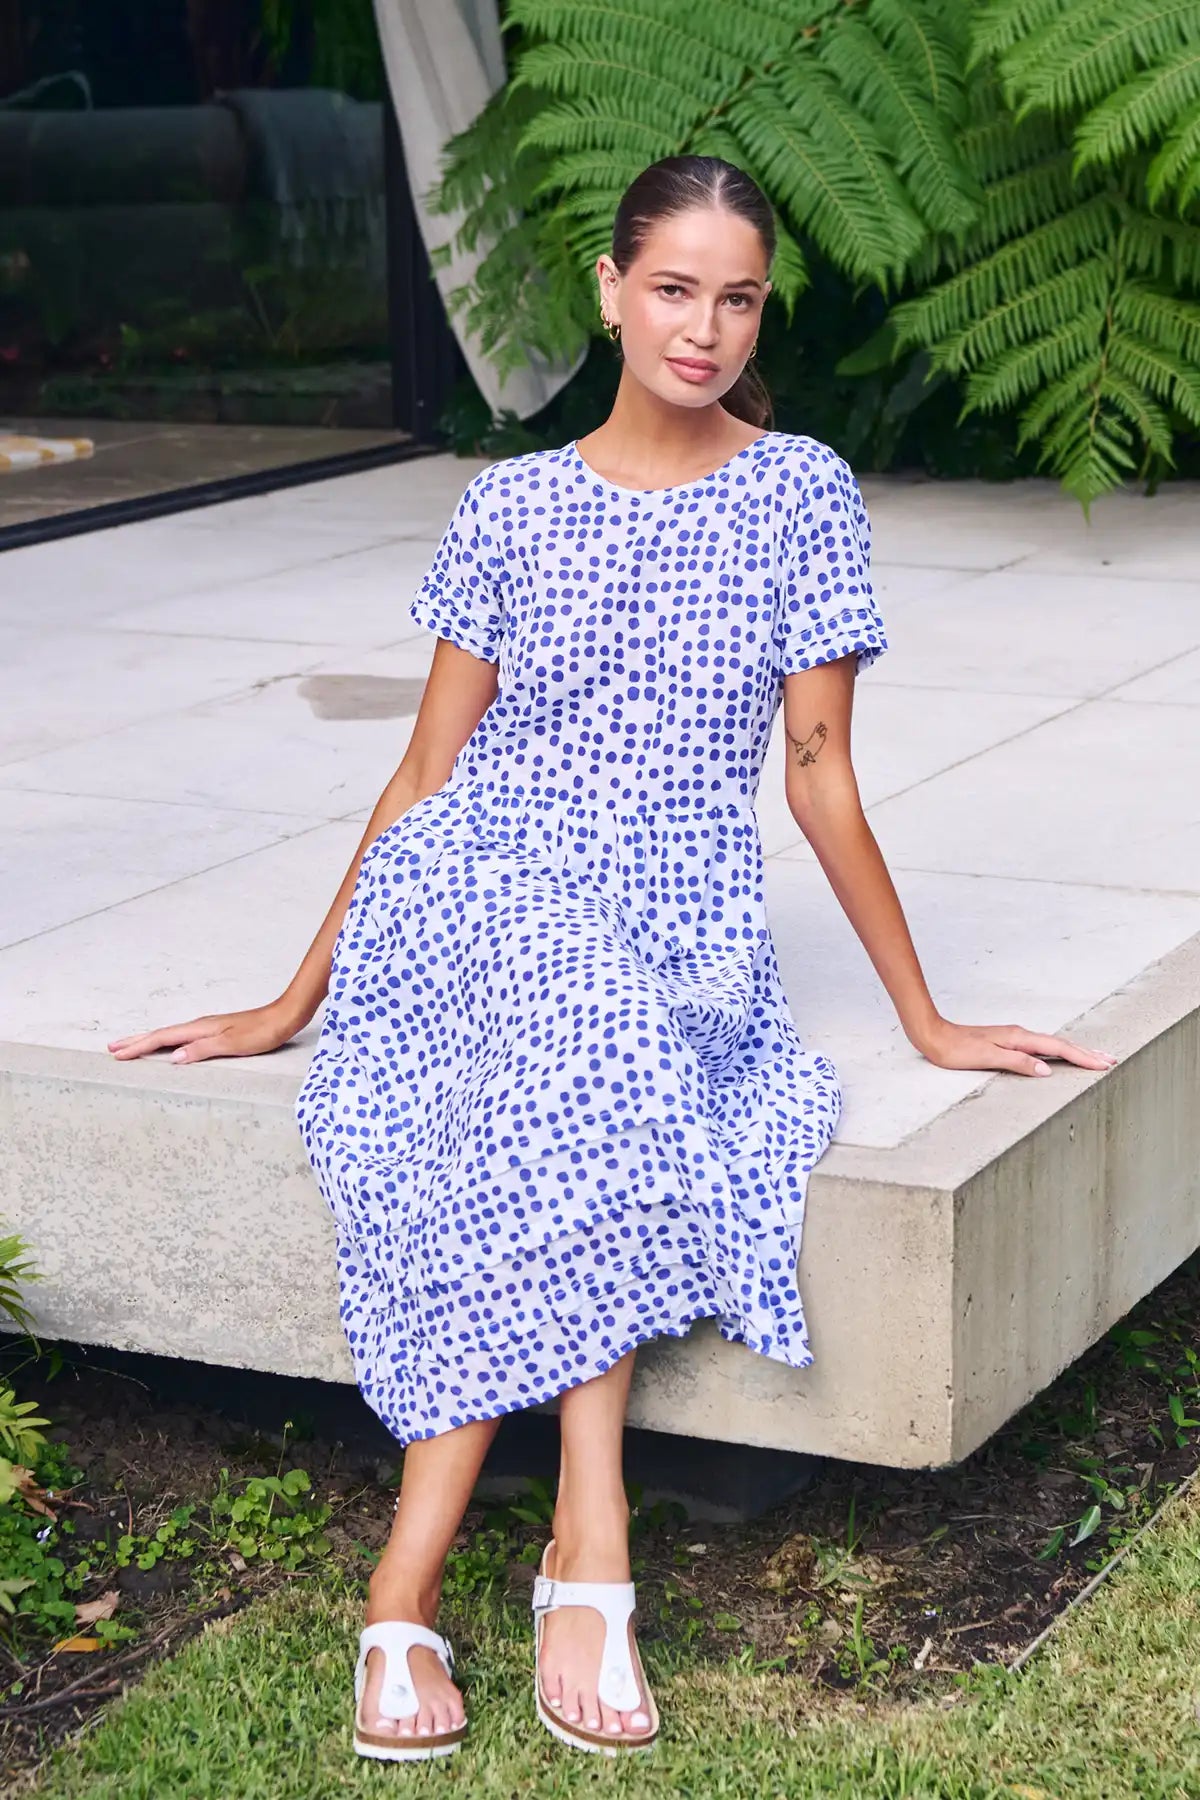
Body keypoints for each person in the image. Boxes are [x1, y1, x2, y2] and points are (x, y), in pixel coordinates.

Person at [108, 155, 1117, 1762]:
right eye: (671, 289)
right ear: (607, 288)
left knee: (593, 1054)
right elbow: (428, 777)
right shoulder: (510, 504)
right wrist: (292, 999)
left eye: (735, 297)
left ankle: (414, 1582)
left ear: (758, 309)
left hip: (676, 917)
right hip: (474, 889)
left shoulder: (800, 492)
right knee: (570, 1034)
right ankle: (588, 1541)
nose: (702, 328)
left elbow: (818, 773)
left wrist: (928, 1018)